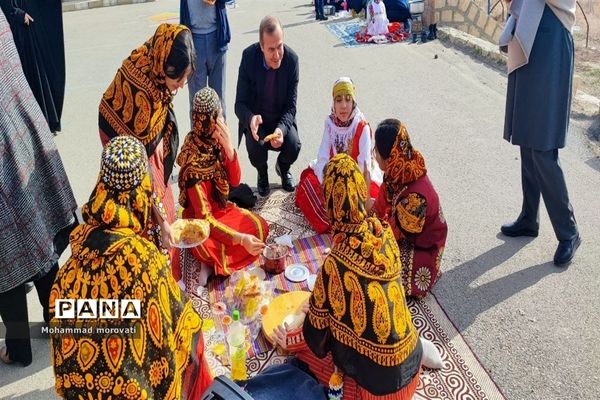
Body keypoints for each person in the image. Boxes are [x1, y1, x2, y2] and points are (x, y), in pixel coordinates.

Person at [49, 136, 212, 399]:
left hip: (80, 390)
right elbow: (178, 323)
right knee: (191, 329)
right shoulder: (143, 261)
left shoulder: (67, 273)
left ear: (101, 183)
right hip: (132, 391)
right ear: (143, 189)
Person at [273, 154, 422, 399]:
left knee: (313, 356)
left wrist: (290, 340)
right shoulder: (381, 231)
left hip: (380, 393)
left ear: (329, 201)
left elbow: (317, 338)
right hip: (410, 370)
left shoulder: (336, 262)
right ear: (360, 193)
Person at [0, 9, 77, 366]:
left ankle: (19, 349)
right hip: (23, 129)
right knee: (41, 238)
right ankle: (57, 320)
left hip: (5, 150)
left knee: (6, 263)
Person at [98, 23, 195, 269]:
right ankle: (153, 271)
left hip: (145, 138)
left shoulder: (155, 59)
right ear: (165, 66)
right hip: (121, 138)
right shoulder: (143, 91)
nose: (182, 84)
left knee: (166, 201)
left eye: (187, 77)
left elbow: (160, 111)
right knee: (145, 214)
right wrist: (161, 222)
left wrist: (159, 137)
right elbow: (143, 175)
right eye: (179, 77)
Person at [499, 0, 580, 266]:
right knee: (526, 135)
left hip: (551, 41)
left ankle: (569, 232)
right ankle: (529, 217)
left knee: (543, 145)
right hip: (528, 36)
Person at [177, 87, 268, 285]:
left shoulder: (217, 142)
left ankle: (216, 263)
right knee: (204, 244)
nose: (222, 119)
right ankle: (210, 264)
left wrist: (229, 149)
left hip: (223, 211)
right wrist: (240, 239)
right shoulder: (193, 163)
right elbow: (205, 219)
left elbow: (234, 182)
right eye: (218, 115)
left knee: (260, 227)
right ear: (208, 119)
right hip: (201, 223)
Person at [371, 119, 447, 298]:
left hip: (424, 247)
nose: (374, 154)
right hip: (403, 229)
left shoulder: (416, 200)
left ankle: (430, 273)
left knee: (379, 271)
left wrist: (366, 240)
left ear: (389, 157)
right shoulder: (397, 170)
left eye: (377, 151)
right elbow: (378, 206)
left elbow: (390, 236)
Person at [296, 77, 382, 234]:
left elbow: (365, 168)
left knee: (372, 210)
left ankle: (346, 220)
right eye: (339, 100)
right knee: (307, 185)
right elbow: (322, 158)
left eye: (348, 100)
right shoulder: (330, 124)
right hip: (333, 179)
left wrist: (357, 197)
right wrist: (329, 187)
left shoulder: (361, 126)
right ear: (333, 104)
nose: (343, 106)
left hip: (356, 183)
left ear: (353, 103)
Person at [235, 15, 301, 197]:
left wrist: (281, 129)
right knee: (255, 146)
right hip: (259, 122)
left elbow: (291, 106)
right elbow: (239, 103)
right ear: (261, 46)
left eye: (279, 46)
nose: (277, 54)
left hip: (280, 119)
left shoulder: (292, 60)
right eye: (271, 49)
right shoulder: (249, 58)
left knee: (294, 145)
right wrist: (250, 118)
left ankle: (283, 167)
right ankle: (262, 173)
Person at [0, 0, 65, 133]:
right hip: (18, 23)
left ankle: (44, 119)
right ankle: (36, 122)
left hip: (29, 15)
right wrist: (15, 12)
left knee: (45, 65)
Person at [180, 0, 231, 118]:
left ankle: (220, 136)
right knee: (196, 103)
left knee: (219, 102)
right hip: (193, 40)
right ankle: (196, 136)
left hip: (217, 38)